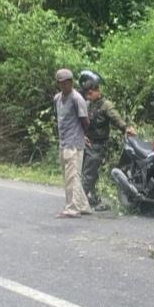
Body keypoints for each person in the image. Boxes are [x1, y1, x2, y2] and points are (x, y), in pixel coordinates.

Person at [78, 70, 135, 211]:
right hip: (86, 143)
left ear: (97, 90)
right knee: (88, 173)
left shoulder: (106, 105)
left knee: (89, 174)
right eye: (87, 94)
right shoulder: (88, 104)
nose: (88, 96)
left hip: (97, 145)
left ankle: (78, 202)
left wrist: (126, 128)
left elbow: (116, 118)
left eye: (90, 93)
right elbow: (81, 121)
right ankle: (91, 199)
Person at [53, 68, 92, 218]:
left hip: (74, 143)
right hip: (63, 142)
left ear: (71, 82)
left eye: (67, 82)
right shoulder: (57, 98)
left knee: (72, 177)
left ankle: (72, 208)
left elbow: (85, 121)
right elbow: (59, 119)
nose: (64, 85)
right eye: (61, 83)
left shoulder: (77, 98)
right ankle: (83, 205)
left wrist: (83, 135)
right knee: (69, 176)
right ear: (58, 84)